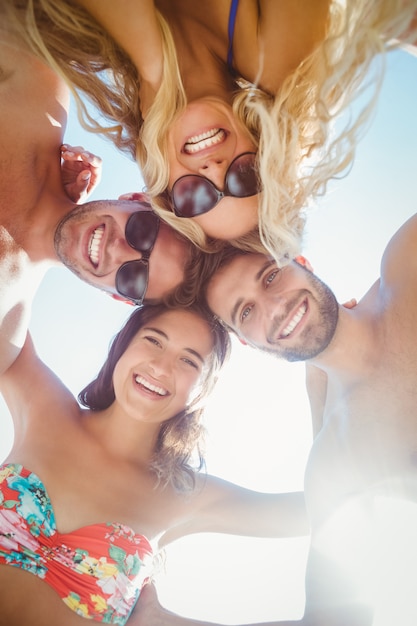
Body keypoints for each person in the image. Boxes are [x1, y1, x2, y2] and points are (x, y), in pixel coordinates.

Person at [131, 211, 417, 626]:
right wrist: (160, 621)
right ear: (250, 344)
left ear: (301, 263)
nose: (275, 307)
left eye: (270, 277)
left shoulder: (405, 264)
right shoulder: (337, 462)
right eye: (245, 313)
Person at [6, 0, 417, 260]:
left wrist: (156, 69)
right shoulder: (278, 61)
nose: (214, 170)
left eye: (195, 195)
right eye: (245, 176)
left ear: (161, 182)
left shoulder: (73, 49)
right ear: (263, 142)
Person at [0, 302, 310, 625]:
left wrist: (323, 382)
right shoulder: (47, 410)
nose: (161, 367)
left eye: (188, 361)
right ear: (125, 344)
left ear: (202, 391)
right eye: (154, 340)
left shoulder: (182, 495)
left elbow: (317, 512)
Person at [0, 16, 193, 377]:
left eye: (133, 278)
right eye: (143, 231)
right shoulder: (39, 98)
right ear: (136, 197)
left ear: (118, 295)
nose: (119, 251)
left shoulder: (4, 334)